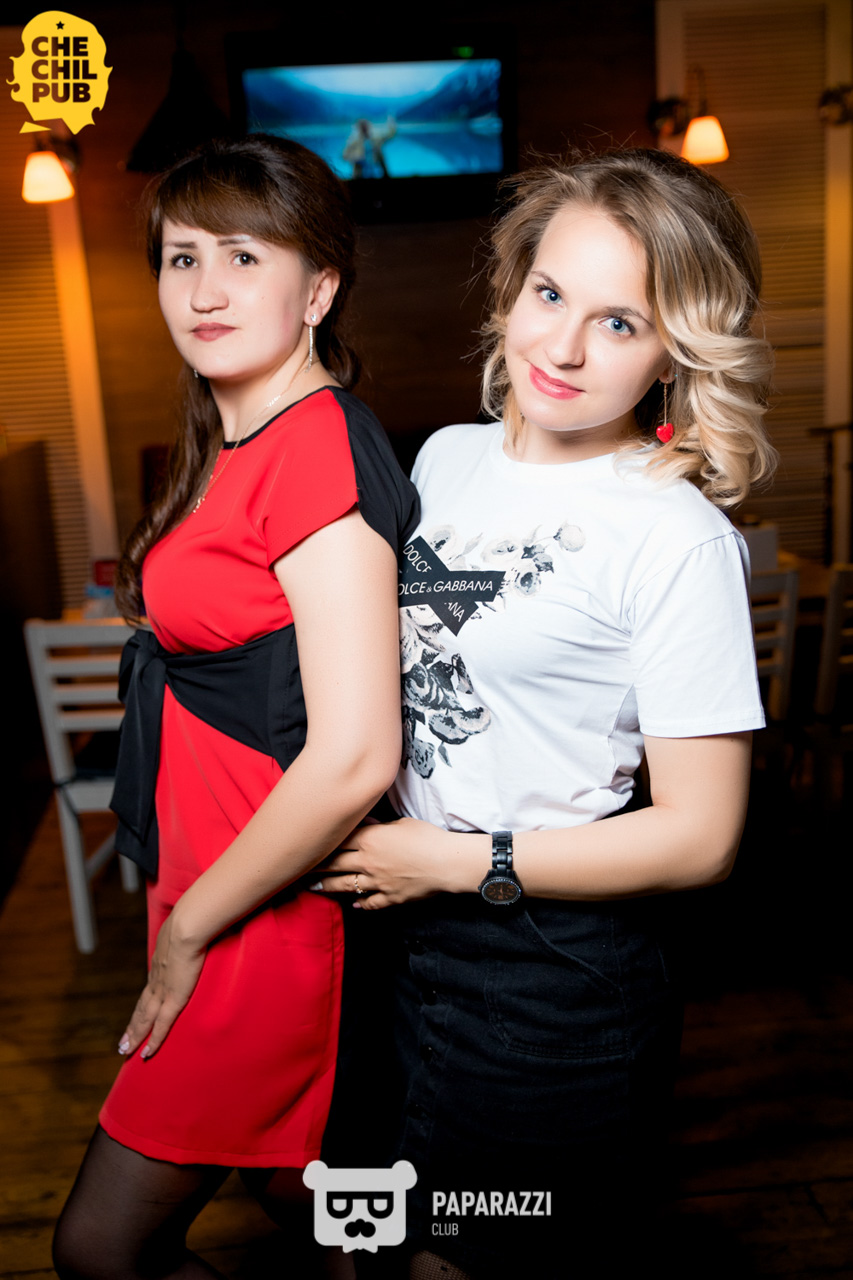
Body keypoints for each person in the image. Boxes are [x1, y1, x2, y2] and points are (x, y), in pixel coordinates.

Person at [315, 148, 776, 1279]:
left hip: (548, 973)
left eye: (620, 323)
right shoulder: (445, 458)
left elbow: (702, 836)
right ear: (511, 288)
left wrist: (454, 860)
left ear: (675, 351)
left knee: (468, 1261)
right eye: (550, 293)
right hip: (389, 935)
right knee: (364, 1234)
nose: (563, 348)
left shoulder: (676, 537)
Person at [52, 134, 418, 1280]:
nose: (204, 289)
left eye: (244, 256)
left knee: (100, 1246)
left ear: (318, 289)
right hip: (218, 885)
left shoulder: (314, 444)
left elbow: (356, 752)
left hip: (265, 915)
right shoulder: (236, 435)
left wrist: (190, 927)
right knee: (323, 1216)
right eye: (182, 257)